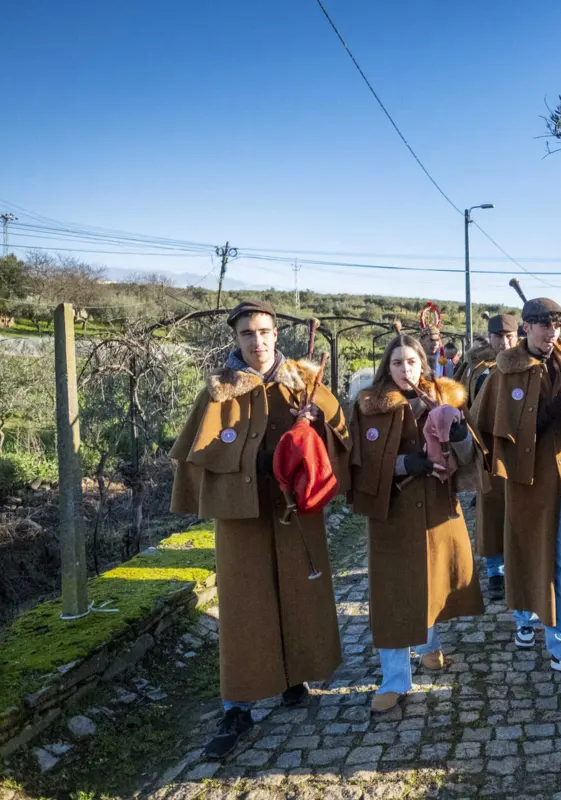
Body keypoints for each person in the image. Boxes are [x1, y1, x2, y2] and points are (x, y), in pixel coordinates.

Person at [170, 300, 351, 758]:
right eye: (247, 334)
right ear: (236, 340)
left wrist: (315, 428)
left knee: (297, 592)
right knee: (244, 607)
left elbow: (342, 433)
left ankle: (293, 679)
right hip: (242, 515)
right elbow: (195, 455)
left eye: (265, 332)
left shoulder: (304, 385)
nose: (258, 341)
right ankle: (237, 709)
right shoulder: (219, 393)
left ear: (276, 335)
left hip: (295, 512)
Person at [471, 297, 561, 681]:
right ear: (527, 328)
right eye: (544, 325)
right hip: (527, 481)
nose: (552, 333)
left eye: (557, 326)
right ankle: (525, 618)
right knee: (531, 555)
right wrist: (549, 413)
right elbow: (488, 432)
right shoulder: (505, 373)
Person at [348, 334, 485, 713]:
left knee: (433, 582)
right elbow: (361, 466)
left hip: (437, 509)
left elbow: (470, 457)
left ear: (422, 363)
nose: (405, 369)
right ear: (385, 367)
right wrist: (405, 465)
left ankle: (430, 645)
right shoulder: (368, 407)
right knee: (393, 596)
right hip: (391, 513)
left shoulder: (445, 398)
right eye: (396, 362)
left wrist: (457, 431)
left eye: (411, 361)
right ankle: (394, 680)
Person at [463, 313, 519, 600]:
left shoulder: (528, 366)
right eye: (499, 336)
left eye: (509, 336)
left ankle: (518, 566)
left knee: (520, 509)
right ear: (491, 337)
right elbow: (465, 405)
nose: (504, 341)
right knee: (491, 510)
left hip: (521, 450)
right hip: (487, 447)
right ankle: (495, 570)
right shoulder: (478, 369)